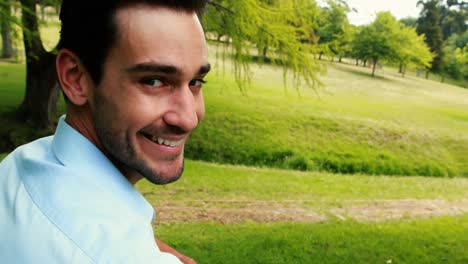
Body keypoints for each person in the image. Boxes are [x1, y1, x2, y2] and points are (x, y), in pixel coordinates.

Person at [0, 0, 211, 263]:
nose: (188, 118)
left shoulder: (18, 167)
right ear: (75, 78)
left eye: (195, 82)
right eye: (154, 81)